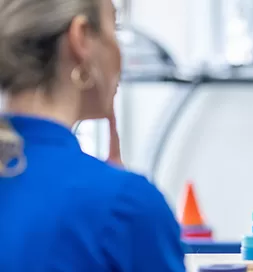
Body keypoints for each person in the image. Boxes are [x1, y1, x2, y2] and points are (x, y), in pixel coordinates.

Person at [0, 0, 186, 271]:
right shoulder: (123, 207)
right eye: (115, 28)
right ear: (81, 38)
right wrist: (117, 194)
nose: (120, 54)